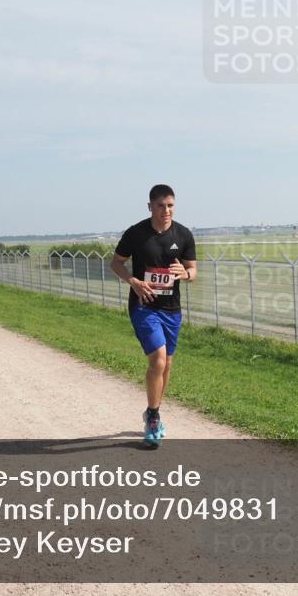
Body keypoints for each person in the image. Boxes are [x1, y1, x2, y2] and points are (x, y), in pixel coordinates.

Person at [110, 185, 196, 448]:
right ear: (150, 207)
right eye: (160, 205)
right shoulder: (136, 234)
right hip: (144, 306)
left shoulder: (183, 234)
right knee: (158, 360)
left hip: (172, 309)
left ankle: (152, 410)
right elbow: (116, 263)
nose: (166, 210)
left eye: (170, 205)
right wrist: (134, 281)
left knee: (167, 364)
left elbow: (193, 270)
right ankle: (154, 418)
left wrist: (185, 273)